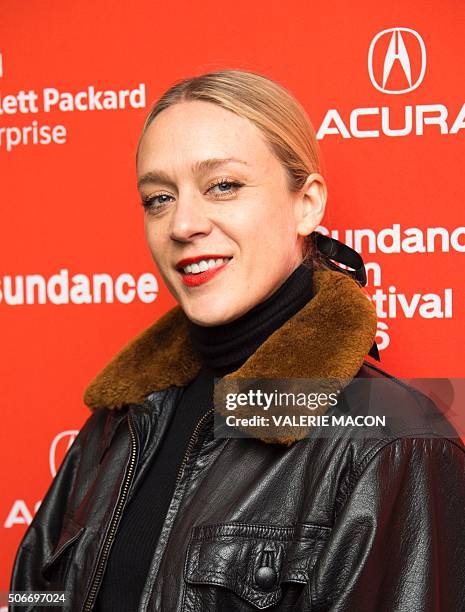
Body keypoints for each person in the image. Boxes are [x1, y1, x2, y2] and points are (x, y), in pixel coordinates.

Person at [10, 69, 465, 612]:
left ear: (308, 203)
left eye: (222, 186)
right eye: (158, 197)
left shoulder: (398, 441)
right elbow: (31, 595)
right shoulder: (121, 416)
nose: (183, 224)